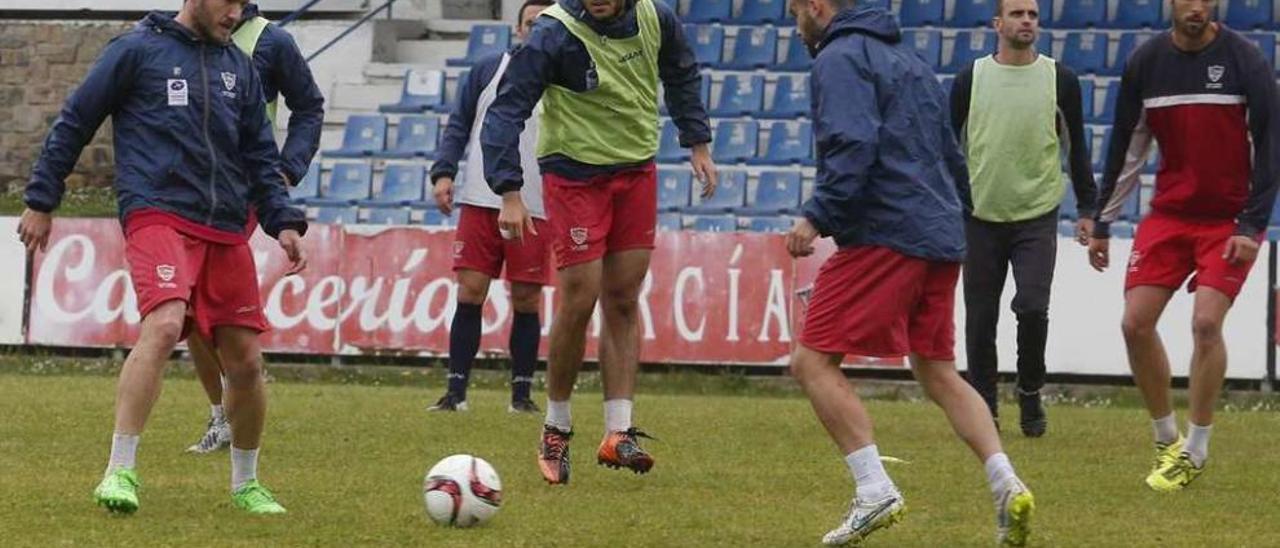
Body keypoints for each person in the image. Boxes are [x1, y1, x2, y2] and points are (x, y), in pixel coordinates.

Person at [18, 0, 308, 515]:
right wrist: (42, 199)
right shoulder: (135, 51)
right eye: (228, 2)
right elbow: (75, 120)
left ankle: (246, 484)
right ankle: (119, 471)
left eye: (244, 5)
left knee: (246, 359)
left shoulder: (239, 68)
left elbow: (261, 157)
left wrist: (282, 220)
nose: (236, 14)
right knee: (165, 322)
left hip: (223, 226)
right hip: (158, 212)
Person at [783, 0, 1034, 545]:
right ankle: (1006, 483)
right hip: (939, 234)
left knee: (811, 361)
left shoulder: (839, 57)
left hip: (886, 231)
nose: (793, 20)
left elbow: (852, 143)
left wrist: (817, 214)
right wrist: (956, 220)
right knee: (938, 370)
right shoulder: (911, 60)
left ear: (818, 7)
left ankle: (874, 489)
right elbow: (950, 151)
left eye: (795, 9)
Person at [480, 0, 717, 485]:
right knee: (579, 297)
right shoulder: (553, 33)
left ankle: (618, 432)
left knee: (624, 299)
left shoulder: (656, 17)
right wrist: (509, 190)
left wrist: (698, 141)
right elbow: (506, 110)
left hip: (635, 170)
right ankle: (556, 426)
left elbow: (682, 72)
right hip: (574, 174)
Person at [1087, 0, 1279, 492]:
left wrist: (1252, 223)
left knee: (1206, 322)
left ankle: (1196, 448)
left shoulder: (1244, 59)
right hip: (1170, 216)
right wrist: (1104, 220)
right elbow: (1127, 145)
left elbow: (1272, 142)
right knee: (1134, 323)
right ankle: (1165, 437)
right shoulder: (1145, 63)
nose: (1197, 7)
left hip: (1229, 220)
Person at [949, 0, 1097, 437]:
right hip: (979, 214)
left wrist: (1087, 208)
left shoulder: (1061, 79)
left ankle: (1030, 391)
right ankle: (985, 409)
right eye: (1017, 14)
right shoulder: (969, 79)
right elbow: (946, 147)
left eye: (1032, 14)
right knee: (980, 318)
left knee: (1032, 308)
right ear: (998, 24)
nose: (1026, 21)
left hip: (1036, 214)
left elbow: (1077, 147)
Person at [185, 0, 325, 455]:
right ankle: (220, 414)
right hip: (181, 190)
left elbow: (309, 107)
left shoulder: (272, 41)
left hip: (238, 192)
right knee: (185, 312)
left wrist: (287, 170)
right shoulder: (178, 33)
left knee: (201, 307)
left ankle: (229, 412)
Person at [425, 0, 555, 414]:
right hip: (481, 199)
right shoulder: (487, 69)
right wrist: (443, 172)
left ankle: (521, 396)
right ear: (517, 30)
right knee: (470, 291)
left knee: (527, 299)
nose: (534, 31)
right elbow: (460, 121)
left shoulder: (562, 79)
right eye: (529, 24)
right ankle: (456, 393)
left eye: (543, 25)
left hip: (535, 205)